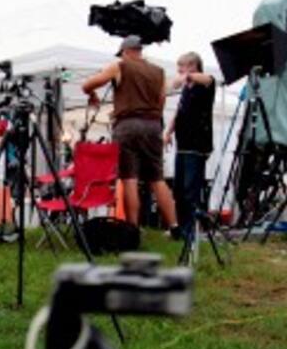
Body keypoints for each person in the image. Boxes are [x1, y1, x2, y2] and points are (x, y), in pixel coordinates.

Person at [82, 35, 179, 235]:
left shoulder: (121, 65)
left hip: (127, 126)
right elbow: (161, 102)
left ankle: (133, 228)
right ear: (140, 51)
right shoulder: (159, 72)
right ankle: (174, 227)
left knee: (129, 178)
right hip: (153, 125)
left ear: (125, 51)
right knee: (157, 178)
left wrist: (92, 95)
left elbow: (87, 85)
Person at [164, 52, 216, 238]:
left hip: (197, 145)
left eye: (182, 68)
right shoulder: (188, 88)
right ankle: (181, 228)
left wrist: (186, 77)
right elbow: (179, 112)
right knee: (178, 189)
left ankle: (191, 230)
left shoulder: (206, 83)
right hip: (183, 144)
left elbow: (209, 79)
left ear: (193, 66)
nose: (179, 73)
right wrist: (168, 132)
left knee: (190, 189)